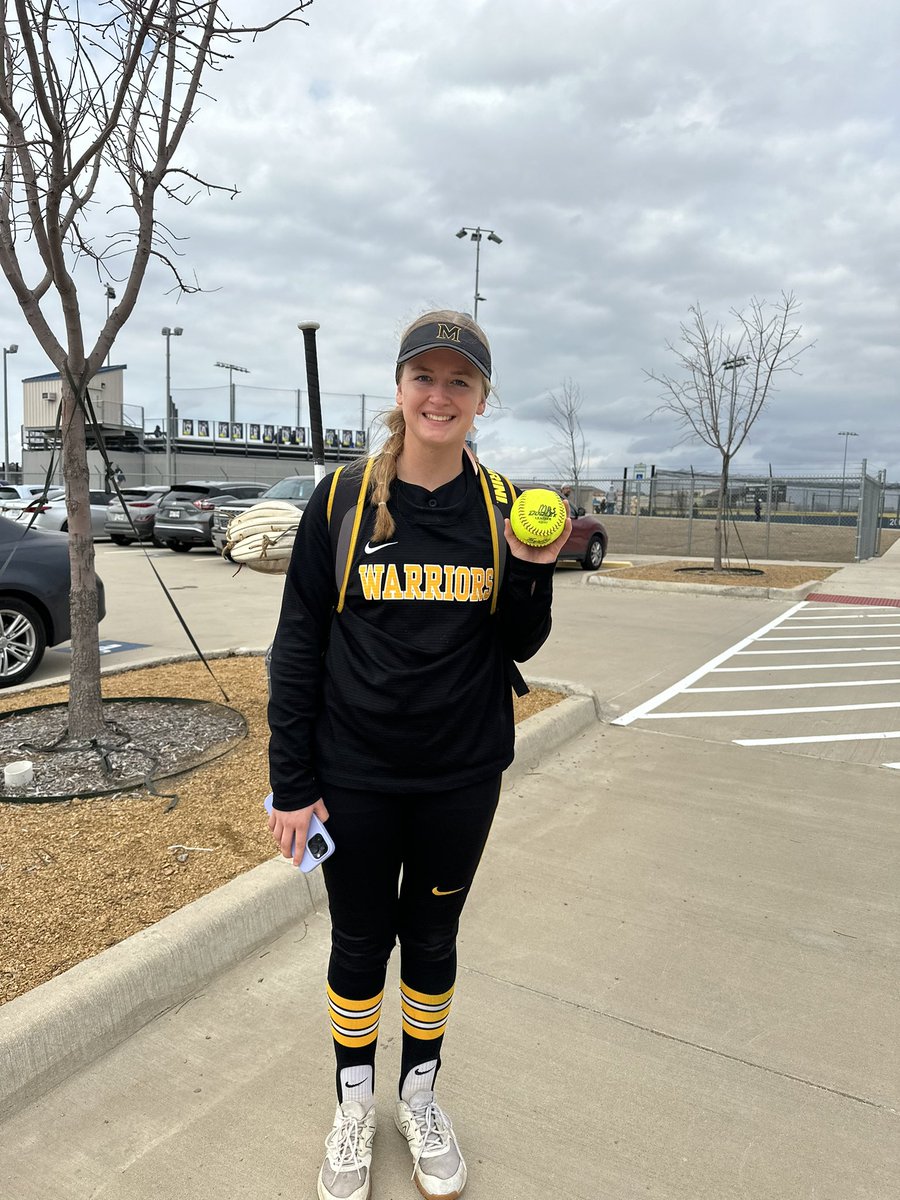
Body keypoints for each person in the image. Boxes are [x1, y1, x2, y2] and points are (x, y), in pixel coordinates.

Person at [267, 309, 570, 1200]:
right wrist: (292, 783)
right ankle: (353, 1107)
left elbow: (519, 642)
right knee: (359, 943)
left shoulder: (501, 503)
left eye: (459, 380)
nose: (441, 395)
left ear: (482, 398)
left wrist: (531, 568)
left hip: (459, 772)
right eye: (424, 377)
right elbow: (297, 644)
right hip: (354, 773)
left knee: (433, 939)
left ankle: (419, 1097)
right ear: (399, 388)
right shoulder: (340, 499)